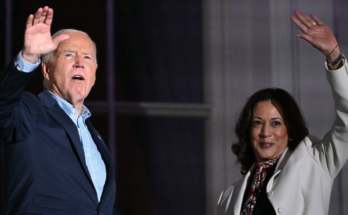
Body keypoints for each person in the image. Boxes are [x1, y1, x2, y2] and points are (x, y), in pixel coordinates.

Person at [217, 11, 348, 215]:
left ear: (290, 129)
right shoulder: (228, 197)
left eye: (276, 123)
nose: (265, 132)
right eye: (258, 122)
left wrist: (333, 57)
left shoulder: (315, 162)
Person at [0, 6, 120, 215]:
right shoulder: (30, 111)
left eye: (87, 58)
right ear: (46, 69)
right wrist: (28, 57)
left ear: (94, 75)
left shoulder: (95, 137)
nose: (79, 63)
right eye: (69, 55)